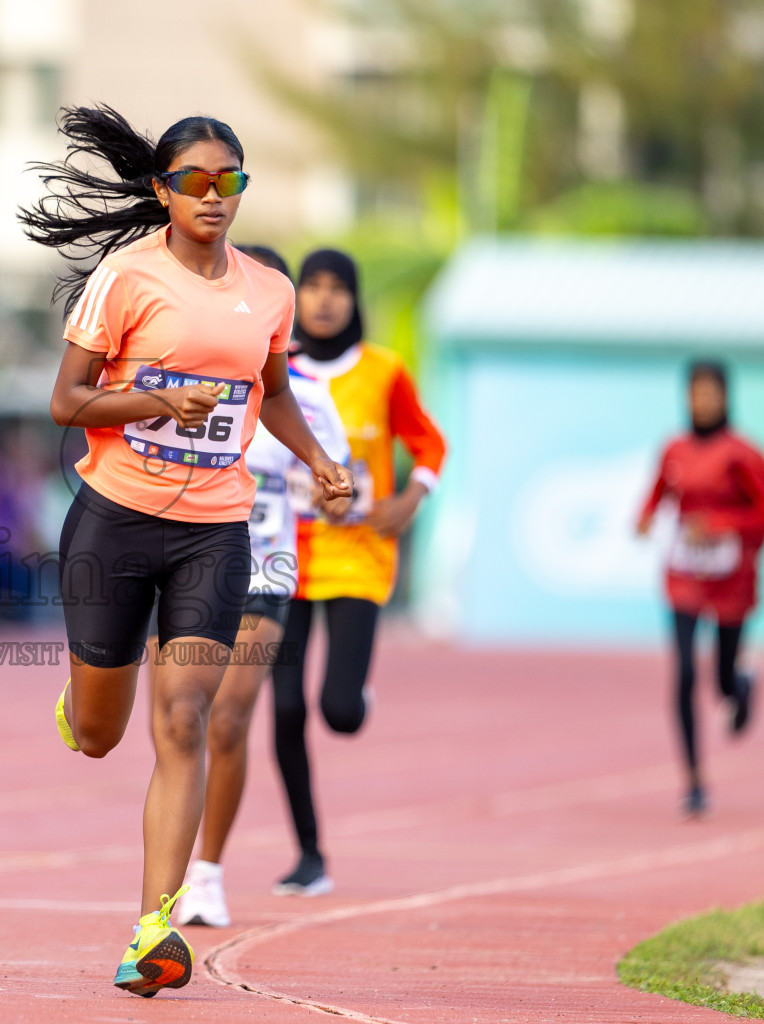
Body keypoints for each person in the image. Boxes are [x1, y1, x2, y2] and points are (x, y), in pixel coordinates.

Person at [22, 106, 352, 997]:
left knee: (185, 720)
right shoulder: (125, 280)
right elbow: (67, 401)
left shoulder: (268, 294)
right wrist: (154, 406)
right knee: (100, 736)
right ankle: (83, 698)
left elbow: (272, 394)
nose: (213, 197)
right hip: (116, 520)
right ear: (163, 190)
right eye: (195, 182)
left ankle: (153, 930)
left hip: (215, 530)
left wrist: (321, 461)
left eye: (229, 181)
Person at [173, 244, 352, 929]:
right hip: (190, 567)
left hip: (266, 575)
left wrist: (333, 493)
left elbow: (341, 489)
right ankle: (174, 865)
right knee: (182, 718)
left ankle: (207, 874)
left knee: (227, 717)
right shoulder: (188, 388)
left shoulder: (306, 399)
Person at [270, 248, 447, 896]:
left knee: (338, 711)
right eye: (310, 286)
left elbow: (429, 441)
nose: (321, 299)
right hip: (282, 554)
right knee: (285, 710)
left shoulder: (383, 372)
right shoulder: (276, 371)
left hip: (357, 556)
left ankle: (356, 693)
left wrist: (410, 497)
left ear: (353, 299)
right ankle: (309, 854)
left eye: (335, 287)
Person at [637, 360, 764, 817]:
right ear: (686, 397)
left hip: (730, 579)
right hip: (683, 576)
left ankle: (740, 683)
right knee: (682, 673)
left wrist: (720, 525)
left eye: (710, 394)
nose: (702, 402)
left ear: (724, 397)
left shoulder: (744, 455)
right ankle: (694, 780)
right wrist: (643, 518)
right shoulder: (673, 449)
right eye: (695, 394)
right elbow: (657, 494)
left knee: (719, 680)